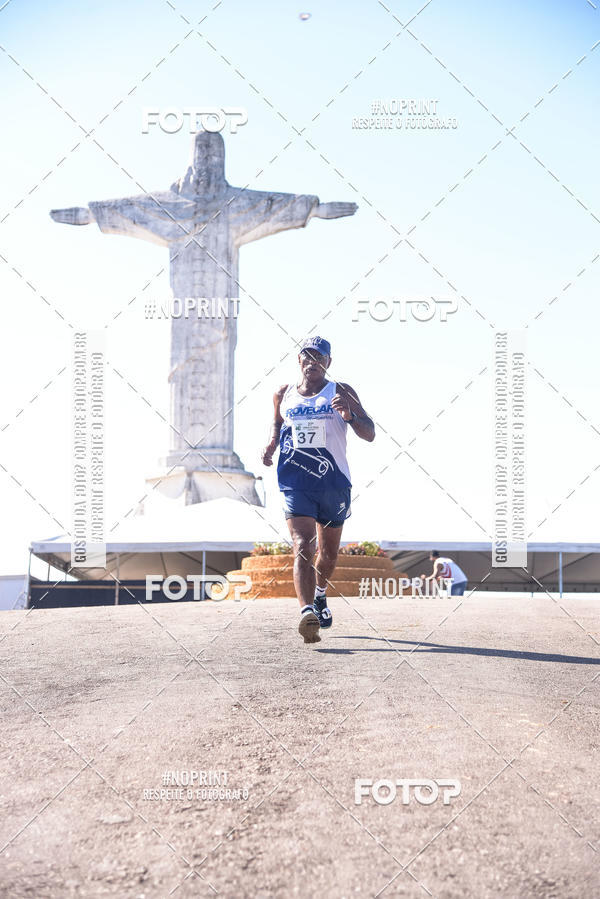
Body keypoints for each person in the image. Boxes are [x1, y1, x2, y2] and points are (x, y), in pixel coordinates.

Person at [261, 336, 375, 643]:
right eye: (307, 356)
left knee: (327, 554)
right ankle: (306, 613)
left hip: (333, 482)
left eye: (319, 357)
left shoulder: (340, 391)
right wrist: (272, 442)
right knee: (302, 543)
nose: (312, 361)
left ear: (328, 362)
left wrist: (349, 417)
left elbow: (370, 433)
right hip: (295, 481)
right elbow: (276, 423)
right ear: (299, 360)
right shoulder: (283, 393)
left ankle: (321, 593)